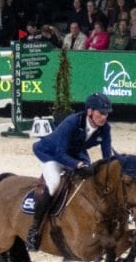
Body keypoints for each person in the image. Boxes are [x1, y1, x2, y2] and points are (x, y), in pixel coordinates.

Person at [26, 92, 117, 251]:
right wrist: (78, 165)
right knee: (53, 184)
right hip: (52, 153)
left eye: (106, 114)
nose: (104, 117)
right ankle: (34, 230)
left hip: (75, 152)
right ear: (90, 111)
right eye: (101, 113)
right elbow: (61, 153)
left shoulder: (105, 128)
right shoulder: (72, 123)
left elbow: (106, 156)